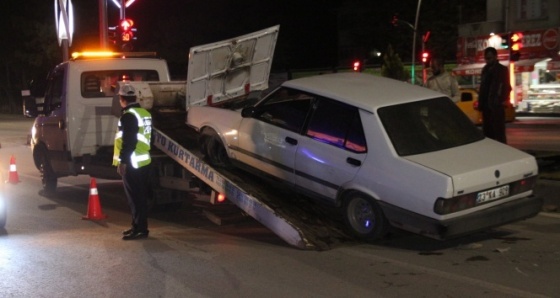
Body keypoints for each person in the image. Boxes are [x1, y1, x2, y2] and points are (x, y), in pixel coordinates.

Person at [113, 83, 153, 240]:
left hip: (133, 162)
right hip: (144, 161)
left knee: (135, 198)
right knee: (139, 197)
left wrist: (122, 161)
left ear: (122, 99)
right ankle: (136, 226)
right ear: (134, 97)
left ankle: (141, 229)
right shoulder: (144, 113)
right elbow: (151, 137)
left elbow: (128, 140)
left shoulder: (128, 116)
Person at [478, 47, 511, 143]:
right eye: (486, 58)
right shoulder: (485, 69)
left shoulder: (502, 69)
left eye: (490, 58)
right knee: (488, 133)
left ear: (495, 57)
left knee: (499, 133)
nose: (488, 60)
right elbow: (483, 88)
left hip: (496, 106)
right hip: (487, 106)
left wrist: (500, 99)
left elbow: (506, 87)